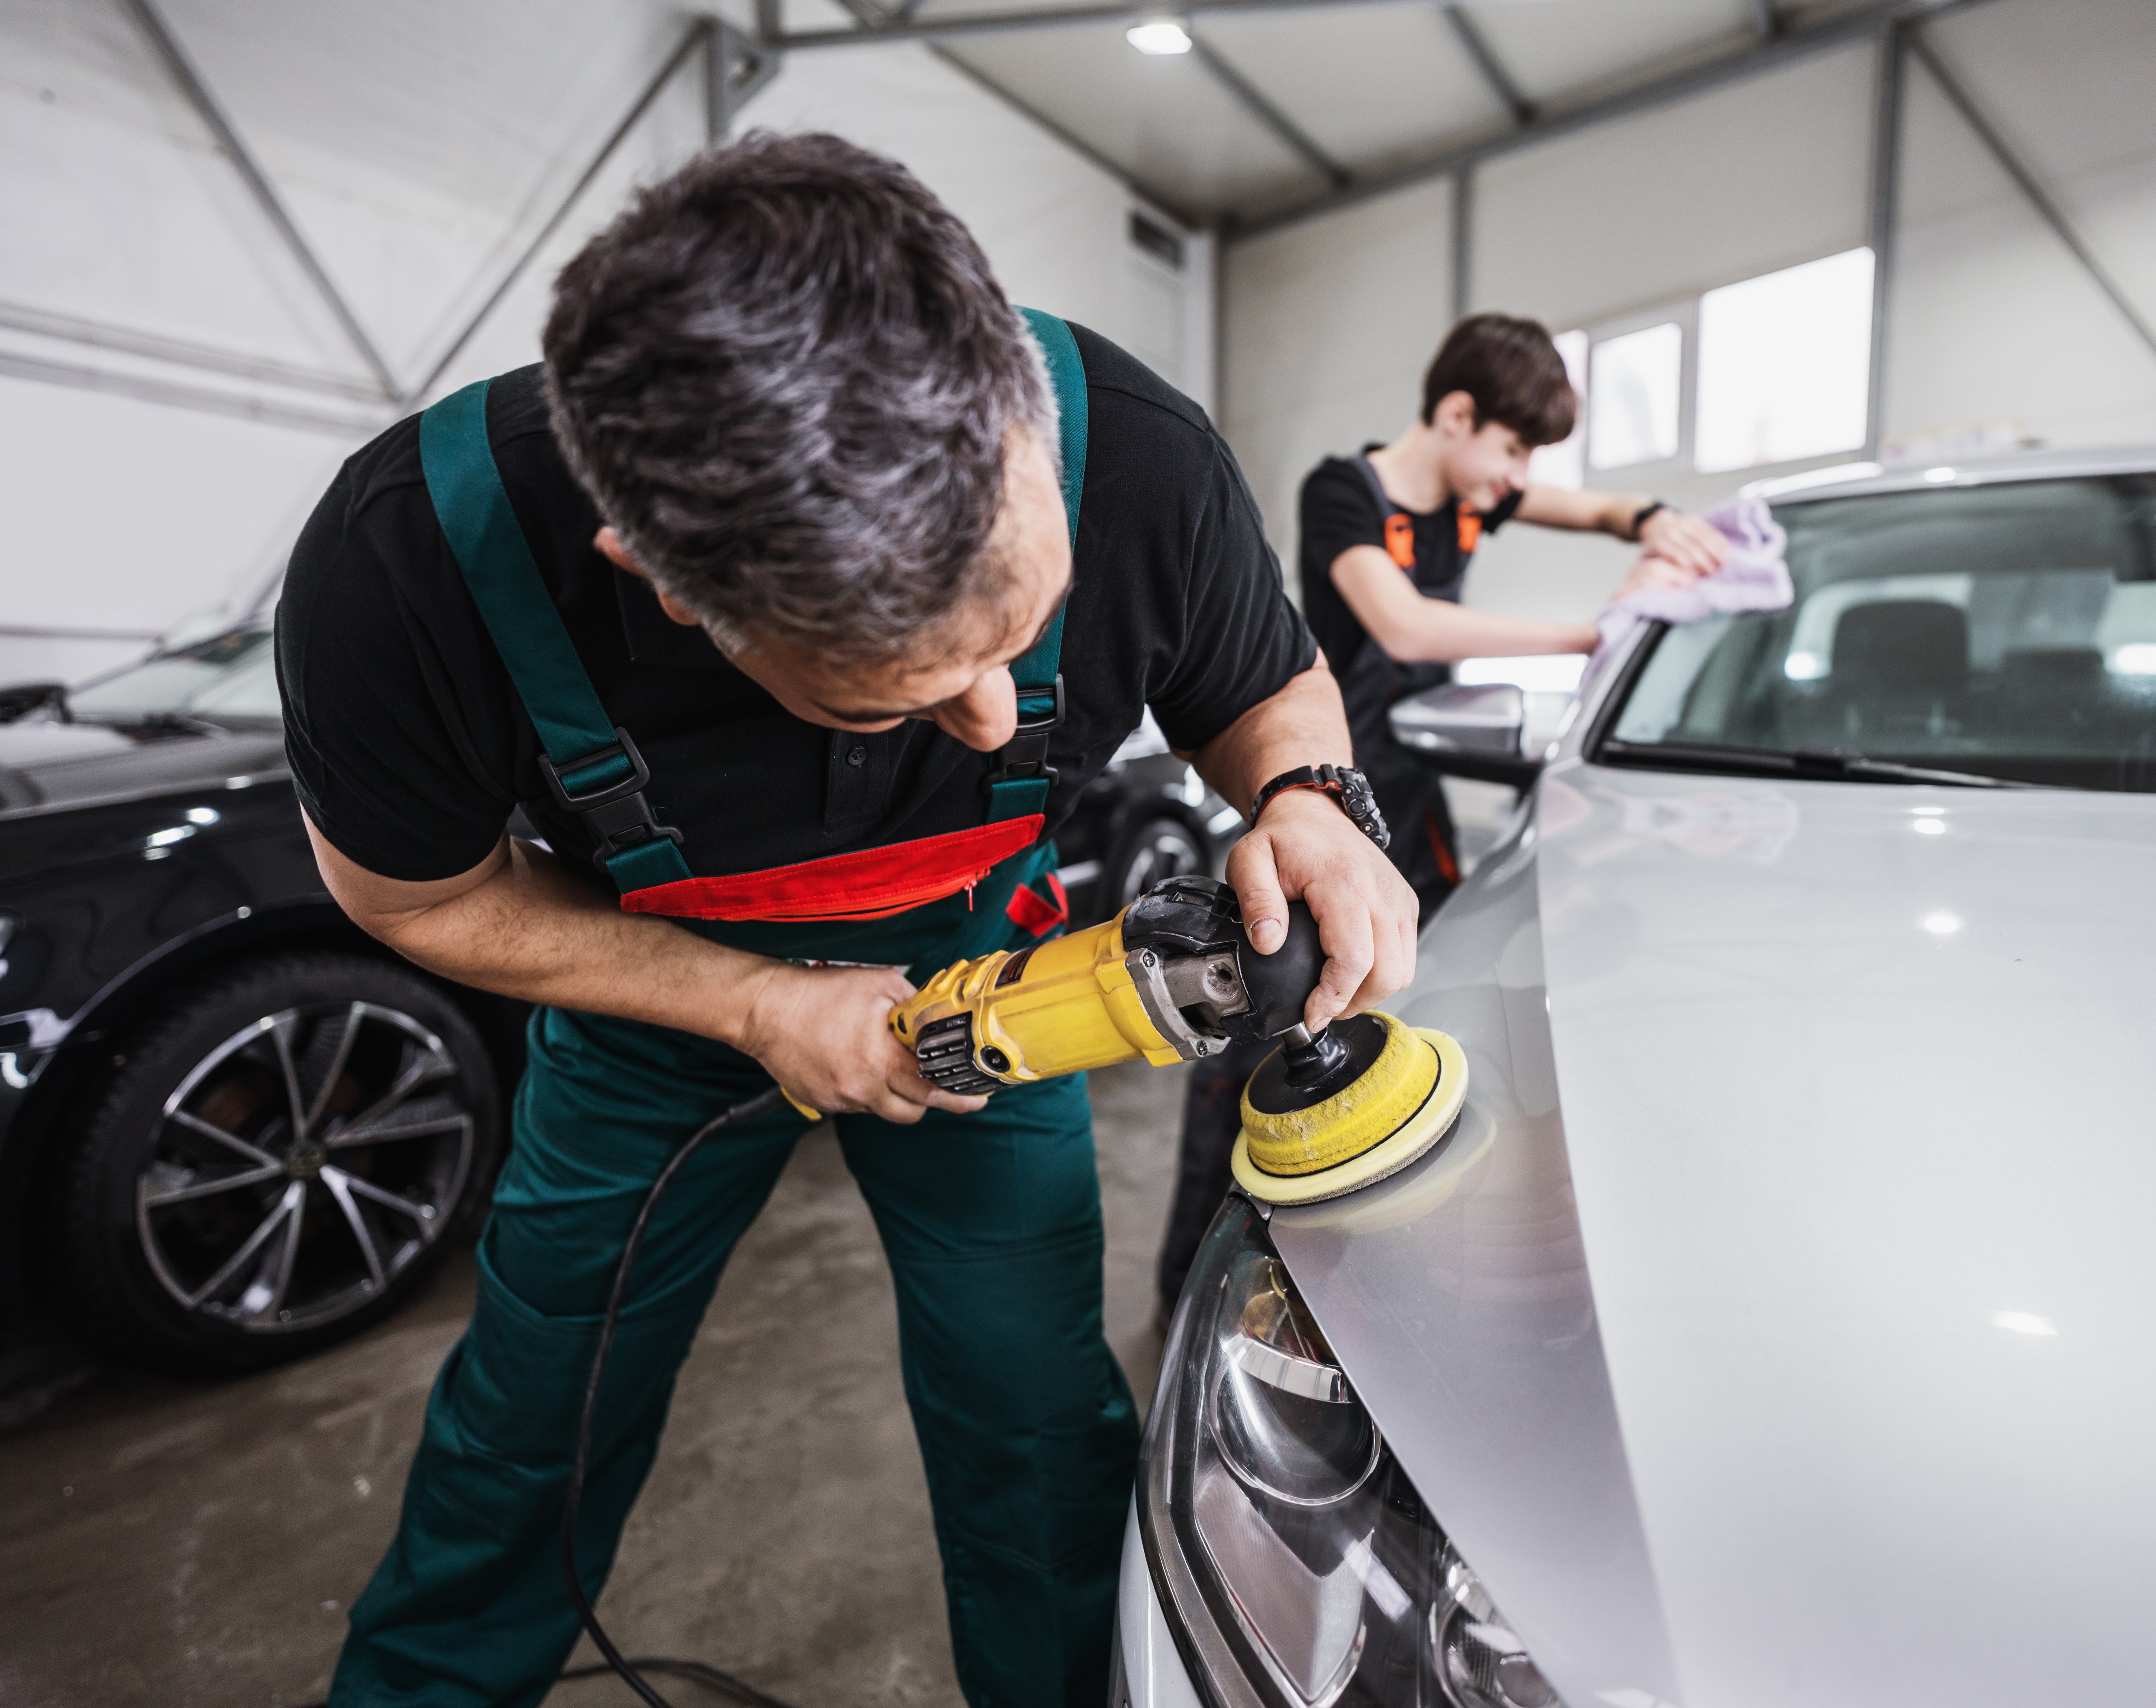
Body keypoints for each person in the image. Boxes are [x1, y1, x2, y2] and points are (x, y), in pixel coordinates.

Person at [279, 133, 1414, 1708]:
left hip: (990, 988)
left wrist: (1306, 800)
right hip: (649, 1015)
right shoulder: (412, 559)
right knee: (535, 1416)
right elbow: (412, 890)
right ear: (667, 585)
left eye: (1018, 630)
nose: (994, 711)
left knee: (1033, 1417)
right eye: (904, 685)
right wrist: (756, 1007)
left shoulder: (1137, 447)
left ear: (1018, 408)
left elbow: (1269, 687)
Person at [1153, 312, 1728, 1318]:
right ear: (1457, 415)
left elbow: (1588, 510)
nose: (1517, 478)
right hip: (1319, 811)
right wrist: (1591, 634)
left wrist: (1649, 518)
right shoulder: (1349, 492)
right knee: (1272, 1034)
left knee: (1419, 1013)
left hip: (1412, 810)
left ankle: (1374, 1281)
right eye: (1510, 449)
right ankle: (1198, 1295)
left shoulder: (1476, 499)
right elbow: (1401, 623)